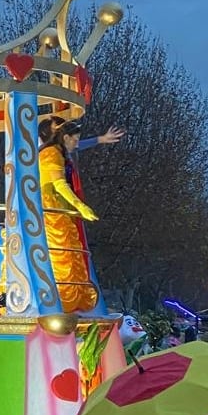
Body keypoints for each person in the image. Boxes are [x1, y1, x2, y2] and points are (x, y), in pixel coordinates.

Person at [36, 119, 125, 314]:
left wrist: (100, 139)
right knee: (61, 252)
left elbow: (75, 145)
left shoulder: (59, 151)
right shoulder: (50, 153)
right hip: (50, 207)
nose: (76, 143)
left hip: (57, 206)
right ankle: (58, 298)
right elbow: (59, 184)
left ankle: (67, 298)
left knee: (68, 251)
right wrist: (80, 206)